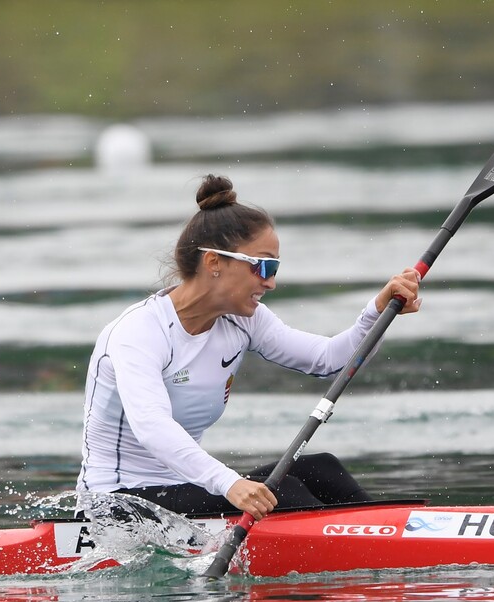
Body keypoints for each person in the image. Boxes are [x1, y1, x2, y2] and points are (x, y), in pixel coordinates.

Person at [77, 174, 421, 520]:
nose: (270, 282)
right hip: (115, 504)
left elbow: (331, 361)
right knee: (285, 493)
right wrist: (229, 482)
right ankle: (356, 543)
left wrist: (377, 313)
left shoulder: (244, 319)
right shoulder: (139, 332)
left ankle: (389, 529)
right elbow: (152, 426)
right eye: (263, 266)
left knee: (322, 469)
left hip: (183, 487)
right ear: (214, 263)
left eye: (275, 268)